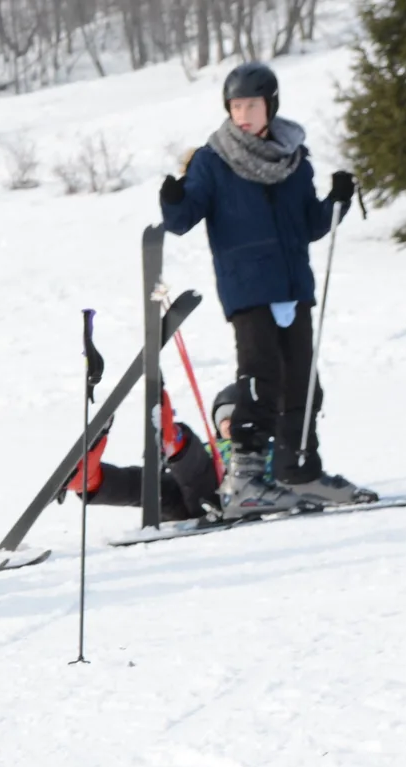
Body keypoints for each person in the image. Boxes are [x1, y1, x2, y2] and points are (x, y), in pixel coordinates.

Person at [160, 61, 371, 512]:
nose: (243, 114)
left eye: (251, 105)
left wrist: (336, 200)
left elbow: (310, 225)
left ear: (270, 106)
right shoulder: (212, 161)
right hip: (249, 287)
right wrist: (173, 199)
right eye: (235, 106)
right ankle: (247, 479)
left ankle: (301, 471)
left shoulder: (293, 160)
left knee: (302, 381)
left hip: (293, 285)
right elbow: (183, 220)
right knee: (260, 380)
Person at [66, 384, 236, 523]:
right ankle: (93, 480)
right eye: (224, 417)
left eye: (237, 417)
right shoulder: (211, 447)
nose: (230, 423)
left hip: (223, 497)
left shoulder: (256, 450)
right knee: (149, 485)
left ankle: (174, 440)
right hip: (186, 501)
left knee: (199, 468)